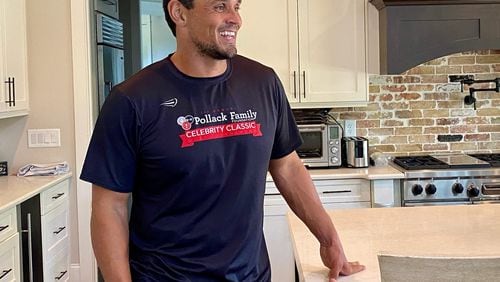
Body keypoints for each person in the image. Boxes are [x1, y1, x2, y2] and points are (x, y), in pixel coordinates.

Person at [80, 0, 365, 281]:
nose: (235, 19)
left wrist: (329, 240)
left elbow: (287, 166)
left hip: (250, 274)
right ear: (179, 13)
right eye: (219, 7)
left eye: (236, 7)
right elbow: (109, 206)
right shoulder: (132, 100)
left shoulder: (262, 82)